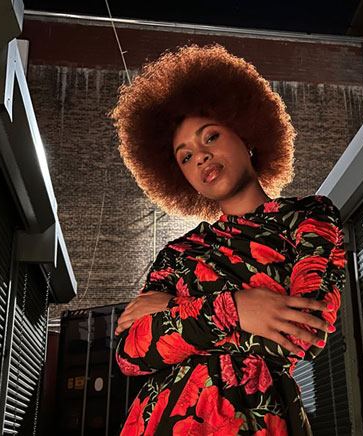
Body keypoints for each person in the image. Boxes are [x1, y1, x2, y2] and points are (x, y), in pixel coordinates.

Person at [109, 43, 347, 436]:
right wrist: (234, 309)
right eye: (185, 157)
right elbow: (132, 353)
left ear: (247, 134)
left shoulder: (309, 217)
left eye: (211, 136)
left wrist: (172, 310)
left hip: (254, 422)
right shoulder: (178, 253)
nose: (201, 156)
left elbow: (303, 332)